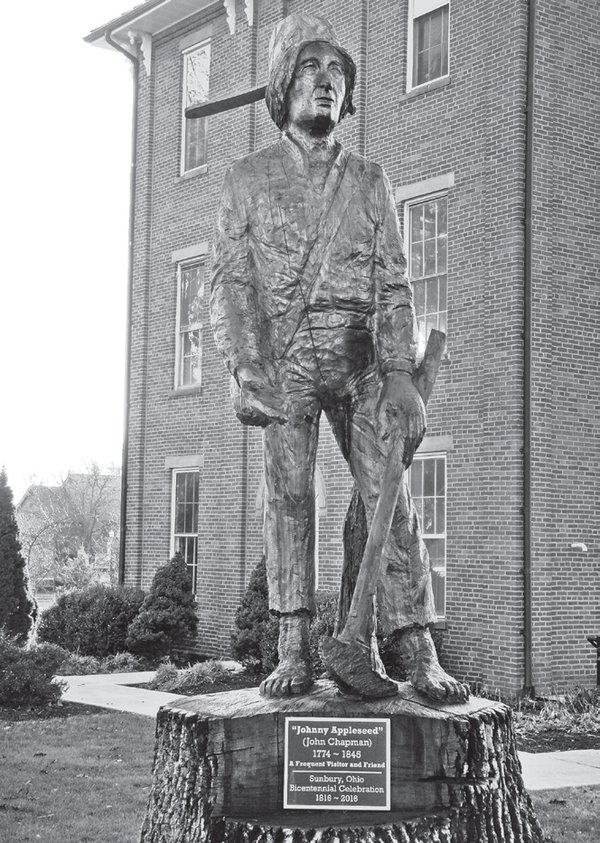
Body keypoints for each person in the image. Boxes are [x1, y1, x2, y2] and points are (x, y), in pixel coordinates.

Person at [211, 12, 468, 703]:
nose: (325, 82)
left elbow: (393, 282)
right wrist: (244, 366)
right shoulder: (246, 178)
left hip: (360, 359)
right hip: (285, 358)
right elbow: (230, 283)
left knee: (393, 495)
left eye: (337, 72)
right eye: (309, 68)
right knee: (290, 498)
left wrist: (399, 373)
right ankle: (293, 641)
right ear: (281, 85)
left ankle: (413, 645)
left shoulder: (372, 179)